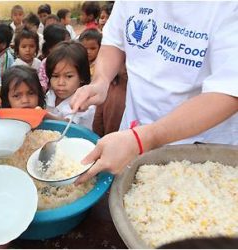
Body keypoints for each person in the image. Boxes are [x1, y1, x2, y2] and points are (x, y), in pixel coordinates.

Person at [70, 2, 238, 184]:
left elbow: (228, 92)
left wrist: (146, 137)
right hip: (132, 135)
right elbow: (115, 42)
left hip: (198, 151)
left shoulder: (227, 7)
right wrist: (101, 80)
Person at [45, 41, 95, 129]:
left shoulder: (84, 102)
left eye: (68, 76)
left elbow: (70, 125)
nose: (60, 83)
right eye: (55, 76)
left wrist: (46, 116)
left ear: (82, 77)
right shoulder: (50, 94)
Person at [37, 24, 70, 91]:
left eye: (69, 42)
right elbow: (42, 84)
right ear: (51, 47)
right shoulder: (46, 63)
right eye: (64, 44)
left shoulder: (72, 60)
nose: (69, 46)